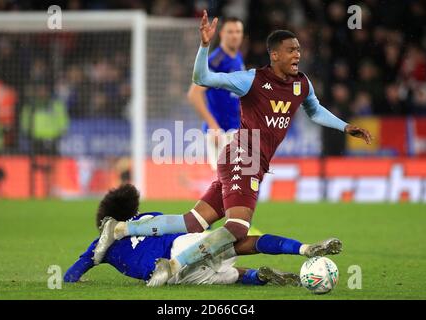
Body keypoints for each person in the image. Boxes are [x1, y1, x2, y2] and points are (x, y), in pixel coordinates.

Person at [95, 11, 371, 286]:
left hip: (251, 161)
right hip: (244, 154)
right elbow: (202, 78)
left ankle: (119, 228)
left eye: (298, 50)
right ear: (275, 55)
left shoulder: (302, 84)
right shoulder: (251, 80)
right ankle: (172, 265)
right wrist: (204, 46)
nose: (297, 55)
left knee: (193, 222)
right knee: (238, 227)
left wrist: (345, 126)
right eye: (290, 50)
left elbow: (316, 110)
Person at [64, 184, 302, 287]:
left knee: (225, 276)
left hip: (175, 279)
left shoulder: (100, 246)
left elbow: (70, 275)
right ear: (132, 210)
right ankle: (299, 249)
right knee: (230, 242)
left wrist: (76, 279)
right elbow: (184, 227)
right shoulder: (148, 218)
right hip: (178, 250)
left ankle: (255, 276)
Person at [187, 17, 245, 171]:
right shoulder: (216, 61)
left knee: (239, 182)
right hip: (221, 131)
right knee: (230, 182)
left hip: (235, 128)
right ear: (222, 34)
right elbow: (194, 94)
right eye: (230, 32)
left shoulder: (237, 57)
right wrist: (214, 127)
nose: (234, 35)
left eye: (238, 32)